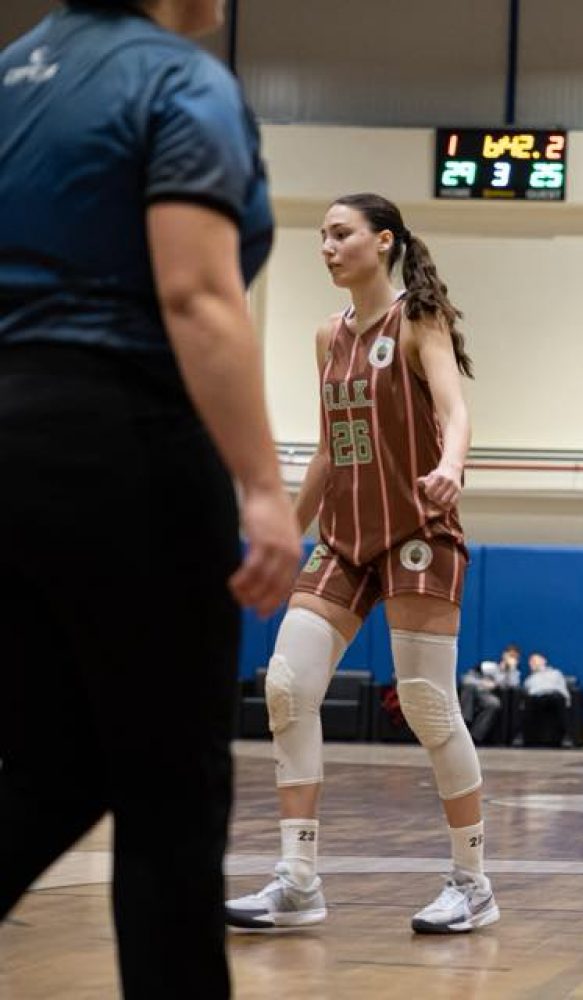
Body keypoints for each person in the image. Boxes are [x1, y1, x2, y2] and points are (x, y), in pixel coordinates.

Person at [0, 1, 302, 995]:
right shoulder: (178, 81)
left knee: (57, 766)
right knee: (173, 793)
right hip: (124, 447)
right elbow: (196, 294)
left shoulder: (8, 75)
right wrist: (262, 484)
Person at [225, 193, 498, 935]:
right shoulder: (328, 336)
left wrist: (451, 465)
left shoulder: (418, 319)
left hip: (418, 530)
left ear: (383, 242)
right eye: (321, 235)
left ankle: (472, 882)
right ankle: (297, 879)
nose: (327, 246)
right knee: (287, 687)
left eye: (341, 233)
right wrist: (285, 534)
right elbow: (328, 448)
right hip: (344, 538)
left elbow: (455, 410)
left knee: (428, 705)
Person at [518, 651, 573, 747]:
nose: (532, 663)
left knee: (559, 700)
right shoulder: (529, 679)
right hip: (537, 698)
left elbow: (562, 688)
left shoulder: (555, 673)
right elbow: (527, 692)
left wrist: (567, 699)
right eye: (531, 662)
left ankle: (567, 737)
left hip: (554, 695)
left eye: (535, 661)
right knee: (528, 703)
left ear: (544, 661)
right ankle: (521, 736)